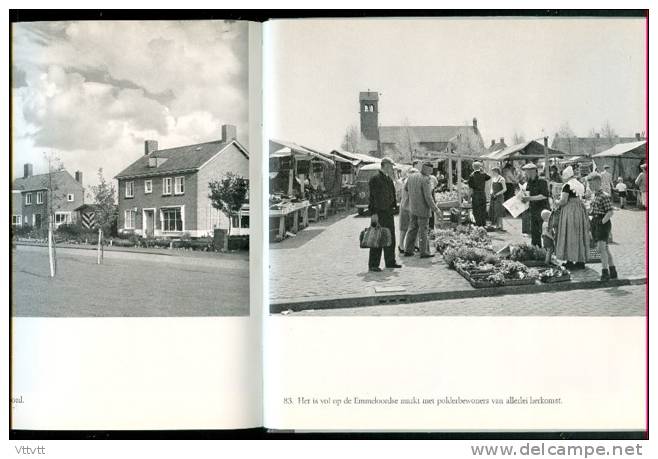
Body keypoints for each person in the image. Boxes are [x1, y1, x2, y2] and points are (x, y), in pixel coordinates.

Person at [368, 157, 402, 272]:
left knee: (390, 237)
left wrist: (395, 207)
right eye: (391, 166)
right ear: (385, 165)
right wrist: (373, 213)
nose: (392, 168)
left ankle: (390, 261)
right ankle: (373, 264)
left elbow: (392, 194)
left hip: (388, 212)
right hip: (379, 213)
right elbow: (372, 198)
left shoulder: (388, 179)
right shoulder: (375, 179)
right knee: (377, 237)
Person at [554, 166, 590, 270]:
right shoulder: (579, 184)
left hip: (570, 211)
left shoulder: (567, 186)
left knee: (569, 234)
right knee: (579, 234)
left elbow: (564, 201)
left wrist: (556, 201)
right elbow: (583, 197)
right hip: (579, 210)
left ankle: (570, 259)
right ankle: (580, 260)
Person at [404, 162, 441, 259]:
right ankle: (424, 252)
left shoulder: (411, 177)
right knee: (423, 230)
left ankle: (408, 250)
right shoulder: (426, 179)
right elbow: (428, 197)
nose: (431, 173)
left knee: (412, 229)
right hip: (423, 209)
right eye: (430, 171)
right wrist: (436, 209)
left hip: (412, 208)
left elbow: (406, 188)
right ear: (428, 170)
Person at [587, 172, 618, 281]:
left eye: (592, 184)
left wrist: (602, 222)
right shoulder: (595, 196)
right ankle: (613, 270)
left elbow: (610, 212)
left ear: (598, 183)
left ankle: (605, 272)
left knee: (601, 249)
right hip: (595, 221)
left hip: (602, 223)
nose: (590, 187)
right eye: (589, 185)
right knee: (605, 248)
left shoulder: (604, 196)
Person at [520, 163, 549, 247]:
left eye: (528, 172)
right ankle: (536, 249)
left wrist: (529, 198)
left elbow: (544, 196)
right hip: (533, 209)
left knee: (544, 231)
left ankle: (548, 250)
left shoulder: (542, 181)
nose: (527, 174)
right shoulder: (528, 183)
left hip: (542, 210)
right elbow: (527, 195)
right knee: (534, 231)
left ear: (535, 172)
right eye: (526, 172)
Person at [397, 167, 418, 253]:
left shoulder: (408, 181)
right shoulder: (409, 182)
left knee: (411, 227)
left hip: (408, 206)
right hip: (407, 207)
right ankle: (401, 245)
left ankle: (414, 244)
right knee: (405, 227)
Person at [467, 161, 490, 227]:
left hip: (476, 194)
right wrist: (482, 170)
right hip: (482, 194)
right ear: (480, 167)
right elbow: (489, 177)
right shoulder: (483, 174)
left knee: (476, 211)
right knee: (483, 210)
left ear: (473, 167)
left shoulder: (472, 175)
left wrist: (468, 198)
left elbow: (470, 189)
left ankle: (479, 225)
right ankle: (483, 225)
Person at [488, 166, 507, 231]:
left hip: (499, 197)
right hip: (493, 196)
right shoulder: (493, 178)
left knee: (499, 211)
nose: (492, 173)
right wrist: (491, 193)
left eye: (493, 172)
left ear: (496, 172)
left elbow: (505, 189)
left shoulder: (501, 179)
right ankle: (497, 225)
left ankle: (501, 227)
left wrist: (497, 194)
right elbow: (491, 188)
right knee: (494, 211)